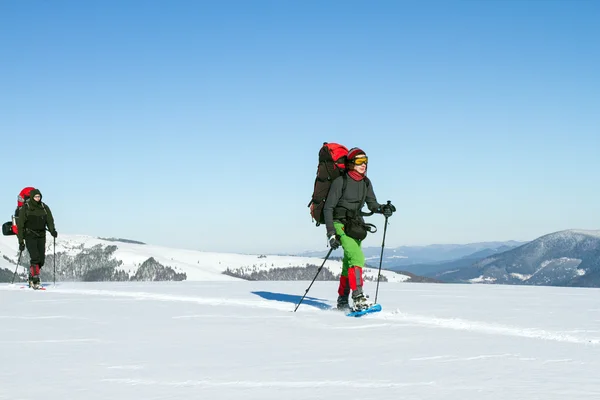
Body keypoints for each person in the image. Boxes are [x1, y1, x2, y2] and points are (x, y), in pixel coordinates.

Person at [323, 147, 396, 311]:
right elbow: (328, 208)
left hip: (355, 225)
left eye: (366, 161)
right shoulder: (340, 182)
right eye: (359, 161)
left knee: (349, 263)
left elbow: (372, 204)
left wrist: (383, 208)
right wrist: (331, 234)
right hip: (339, 223)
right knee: (356, 257)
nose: (364, 165)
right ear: (351, 163)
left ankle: (342, 300)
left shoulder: (366, 182)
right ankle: (358, 297)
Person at [16, 189, 57, 288]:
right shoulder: (26, 208)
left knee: (41, 260)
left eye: (39, 197)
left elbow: (50, 220)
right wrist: (21, 241)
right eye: (36, 197)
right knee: (35, 257)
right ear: (32, 197)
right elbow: (20, 225)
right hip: (30, 235)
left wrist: (52, 230)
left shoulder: (44, 207)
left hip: (41, 235)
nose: (38, 198)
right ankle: (35, 280)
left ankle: (32, 274)